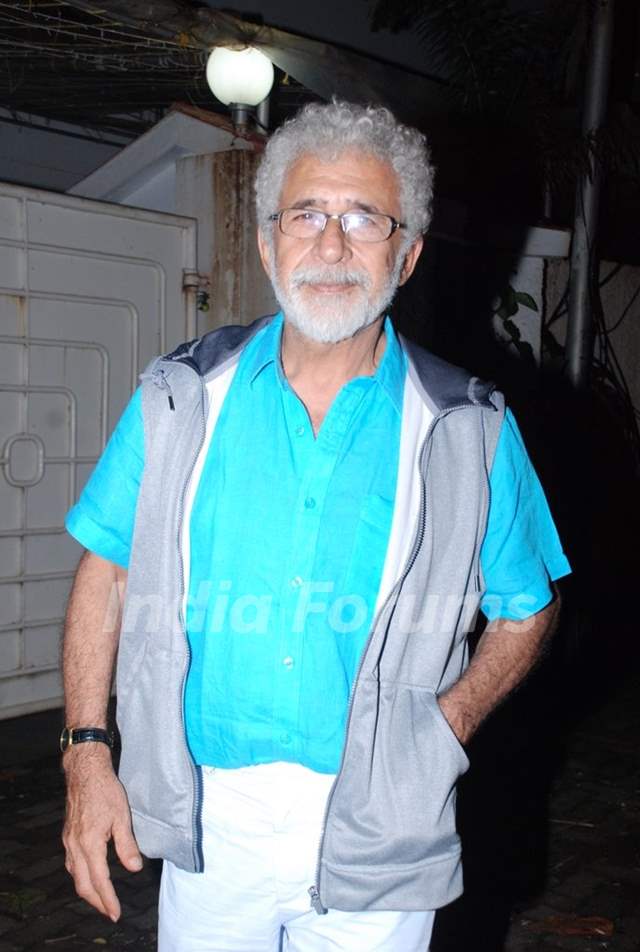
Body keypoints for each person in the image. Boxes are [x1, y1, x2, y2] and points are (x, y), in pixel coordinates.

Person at [60, 100, 570, 951]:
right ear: (267, 244)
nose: (330, 246)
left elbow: (527, 607)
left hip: (381, 829)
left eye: (363, 218)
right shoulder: (181, 396)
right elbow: (106, 571)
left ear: (405, 256)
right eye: (306, 215)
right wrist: (85, 751)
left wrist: (441, 733)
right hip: (205, 819)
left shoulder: (466, 427)